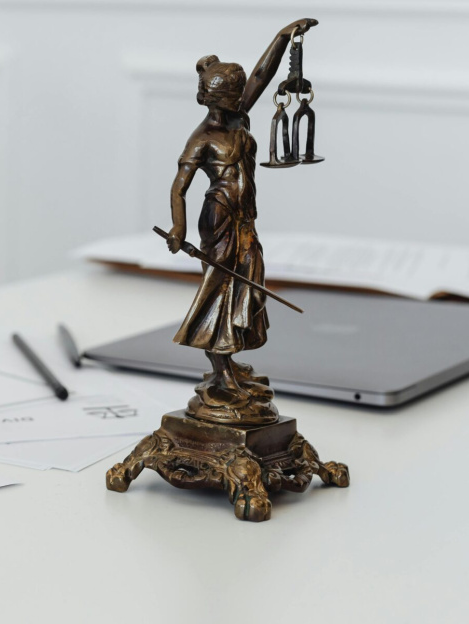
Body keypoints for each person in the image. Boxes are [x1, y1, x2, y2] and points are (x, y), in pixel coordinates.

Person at [164, 18, 317, 423]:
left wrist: (283, 37)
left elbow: (262, 76)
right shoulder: (202, 138)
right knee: (220, 292)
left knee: (248, 290)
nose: (243, 99)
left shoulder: (237, 116)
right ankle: (221, 375)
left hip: (246, 220)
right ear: (217, 100)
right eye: (235, 96)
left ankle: (229, 368)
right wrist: (178, 228)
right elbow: (179, 187)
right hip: (218, 221)